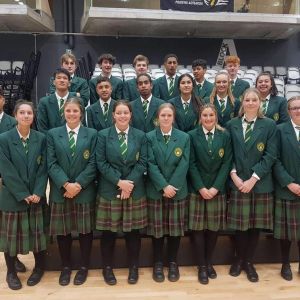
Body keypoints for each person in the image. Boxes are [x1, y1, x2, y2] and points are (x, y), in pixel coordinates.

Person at [226, 87, 277, 283]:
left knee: (255, 225)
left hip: (259, 184)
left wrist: (253, 179)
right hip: (238, 182)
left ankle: (249, 262)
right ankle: (238, 260)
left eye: (254, 100)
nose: (250, 103)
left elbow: (270, 155)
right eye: (247, 100)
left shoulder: (270, 125)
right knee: (240, 226)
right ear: (242, 102)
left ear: (260, 103)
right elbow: (227, 153)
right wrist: (235, 177)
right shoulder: (231, 124)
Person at [96, 100, 147, 285]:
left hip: (134, 191)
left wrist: (129, 184)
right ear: (113, 115)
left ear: (131, 115)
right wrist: (119, 182)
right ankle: (107, 268)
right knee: (108, 233)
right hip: (110, 190)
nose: (123, 116)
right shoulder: (102, 135)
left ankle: (134, 268)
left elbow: (142, 163)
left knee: (133, 233)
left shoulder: (140, 136)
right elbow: (100, 162)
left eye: (126, 112)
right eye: (119, 113)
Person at [47, 98, 97, 286]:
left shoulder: (92, 134)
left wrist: (78, 185)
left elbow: (93, 163)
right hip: (61, 191)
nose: (71, 114)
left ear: (81, 113)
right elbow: (51, 163)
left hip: (83, 191)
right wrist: (66, 184)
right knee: (63, 232)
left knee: (85, 231)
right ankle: (65, 267)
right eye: (68, 110)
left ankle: (84, 267)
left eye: (75, 111)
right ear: (63, 113)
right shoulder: (53, 134)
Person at [0, 100, 48, 290]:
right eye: (22, 113)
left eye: (29, 113)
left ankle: (39, 268)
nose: (26, 116)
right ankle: (11, 272)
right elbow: (6, 170)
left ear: (33, 116)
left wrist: (37, 192)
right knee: (11, 239)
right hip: (13, 197)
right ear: (15, 115)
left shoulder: (41, 138)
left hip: (36, 197)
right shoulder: (3, 139)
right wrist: (23, 193)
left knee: (37, 236)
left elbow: (43, 168)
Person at [188, 103, 232, 284]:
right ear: (200, 117)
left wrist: (215, 187)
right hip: (197, 190)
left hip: (217, 189)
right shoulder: (191, 135)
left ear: (216, 117)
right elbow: (191, 164)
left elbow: (227, 163)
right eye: (205, 115)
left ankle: (208, 262)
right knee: (198, 229)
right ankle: (201, 265)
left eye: (211, 116)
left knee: (213, 229)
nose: (208, 119)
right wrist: (201, 187)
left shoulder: (225, 135)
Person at [146, 103, 190, 283]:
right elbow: (150, 163)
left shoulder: (184, 137)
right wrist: (164, 186)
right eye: (163, 115)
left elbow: (184, 164)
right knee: (157, 230)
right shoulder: (149, 137)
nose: (165, 118)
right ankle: (157, 263)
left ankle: (172, 262)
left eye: (169, 115)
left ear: (173, 117)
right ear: (157, 118)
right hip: (157, 191)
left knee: (174, 230)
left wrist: (172, 186)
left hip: (177, 191)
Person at [273, 96, 300, 281]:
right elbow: (274, 159)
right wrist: (289, 183)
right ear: (289, 111)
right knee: (286, 233)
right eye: (294, 108)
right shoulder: (280, 130)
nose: (298, 111)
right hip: (287, 188)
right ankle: (285, 263)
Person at [0, 88, 26, 274]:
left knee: (8, 225)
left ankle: (13, 258)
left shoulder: (11, 122)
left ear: (3, 100)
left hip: (7, 180)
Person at [37, 68, 79, 134]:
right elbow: (42, 128)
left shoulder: (78, 101)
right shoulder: (44, 102)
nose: (62, 80)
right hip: (51, 142)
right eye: (58, 78)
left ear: (69, 83)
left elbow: (81, 125)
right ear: (53, 82)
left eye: (65, 78)